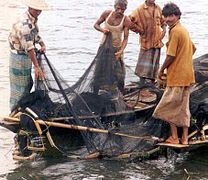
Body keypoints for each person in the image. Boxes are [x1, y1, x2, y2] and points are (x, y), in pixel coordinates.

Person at [153, 3, 196, 145]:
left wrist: (161, 70)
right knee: (183, 108)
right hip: (188, 75)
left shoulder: (175, 31)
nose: (168, 19)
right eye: (166, 16)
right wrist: (183, 59)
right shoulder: (183, 29)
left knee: (167, 107)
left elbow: (170, 55)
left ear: (177, 16)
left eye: (172, 16)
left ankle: (174, 137)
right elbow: (193, 48)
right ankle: (184, 138)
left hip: (177, 76)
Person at [8, 0, 50, 112]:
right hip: (19, 58)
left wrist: (42, 43)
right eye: (36, 9)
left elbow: (35, 34)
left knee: (28, 84)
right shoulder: (24, 23)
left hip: (25, 57)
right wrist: (37, 67)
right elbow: (29, 47)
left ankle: (21, 111)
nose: (38, 12)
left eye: (39, 10)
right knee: (20, 88)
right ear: (29, 7)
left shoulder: (32, 19)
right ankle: (14, 113)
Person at [94, 0, 131, 93]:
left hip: (116, 49)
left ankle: (121, 94)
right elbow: (96, 25)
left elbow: (125, 39)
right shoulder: (107, 14)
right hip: (104, 47)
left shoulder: (126, 20)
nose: (120, 11)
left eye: (122, 9)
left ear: (125, 9)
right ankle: (95, 92)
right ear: (115, 6)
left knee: (119, 74)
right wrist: (102, 30)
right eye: (118, 8)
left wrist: (121, 51)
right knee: (98, 71)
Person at [129, 0, 166, 83]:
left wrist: (164, 30)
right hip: (146, 41)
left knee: (154, 63)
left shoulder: (158, 8)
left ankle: (152, 82)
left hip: (157, 40)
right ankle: (142, 83)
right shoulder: (140, 9)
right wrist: (139, 30)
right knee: (143, 65)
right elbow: (129, 21)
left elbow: (163, 21)